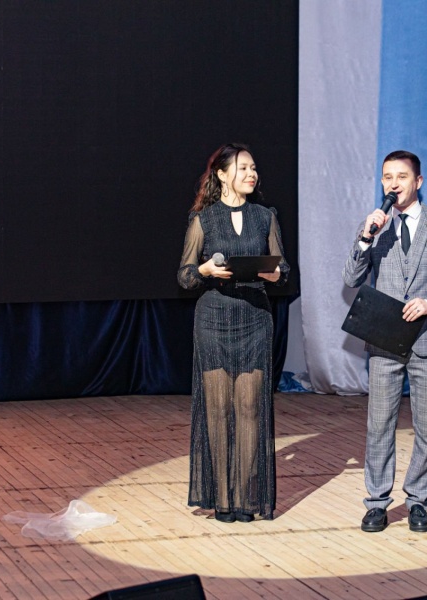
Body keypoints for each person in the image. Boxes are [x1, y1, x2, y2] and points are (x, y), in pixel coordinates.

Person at [342, 150, 427, 533]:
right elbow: (351, 278)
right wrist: (365, 238)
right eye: (387, 177)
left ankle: (418, 500)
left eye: (401, 176)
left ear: (418, 182)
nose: (393, 184)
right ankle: (376, 503)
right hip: (384, 340)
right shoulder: (375, 227)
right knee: (379, 425)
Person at [178, 143, 289, 523]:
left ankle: (244, 499)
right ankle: (222, 499)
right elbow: (185, 275)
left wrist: (275, 273)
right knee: (217, 411)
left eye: (253, 168)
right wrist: (205, 270)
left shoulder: (265, 217)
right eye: (243, 168)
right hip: (214, 319)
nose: (251, 174)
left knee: (249, 409)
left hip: (254, 318)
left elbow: (283, 270)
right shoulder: (203, 219)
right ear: (222, 175)